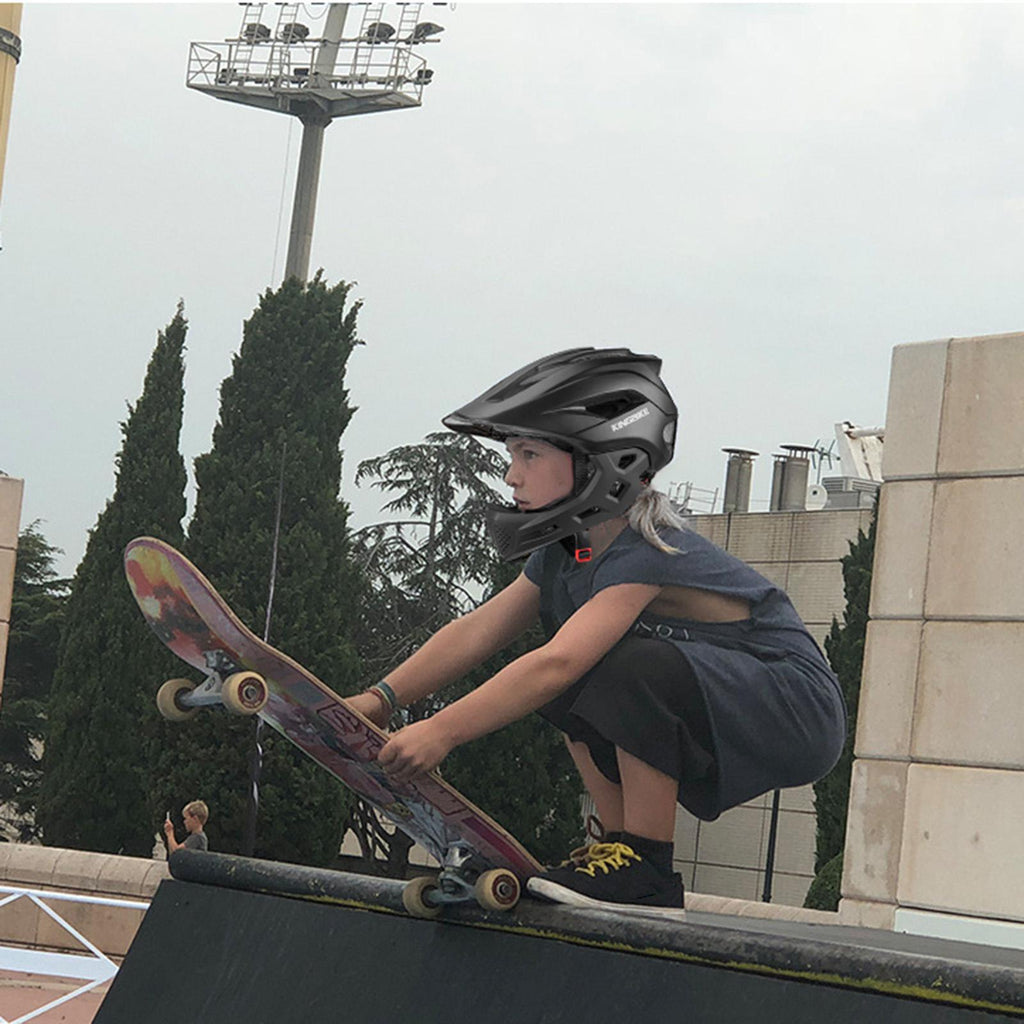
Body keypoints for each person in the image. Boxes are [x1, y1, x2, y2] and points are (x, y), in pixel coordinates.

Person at [346, 347, 846, 909]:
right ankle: (618, 851)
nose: (512, 475)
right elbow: (479, 630)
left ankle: (646, 866)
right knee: (578, 681)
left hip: (796, 705)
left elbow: (557, 662)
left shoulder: (646, 549)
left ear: (600, 461)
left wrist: (442, 732)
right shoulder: (571, 551)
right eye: (512, 454)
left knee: (606, 665)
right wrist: (382, 698)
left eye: (530, 454)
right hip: (731, 693)